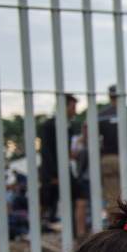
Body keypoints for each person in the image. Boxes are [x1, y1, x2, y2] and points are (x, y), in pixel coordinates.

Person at [38, 94, 78, 226]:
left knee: (76, 197)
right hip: (52, 171)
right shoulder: (49, 126)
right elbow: (46, 152)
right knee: (47, 200)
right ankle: (38, 226)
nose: (75, 111)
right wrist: (53, 174)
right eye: (73, 107)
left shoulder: (69, 127)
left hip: (64, 169)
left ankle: (73, 229)